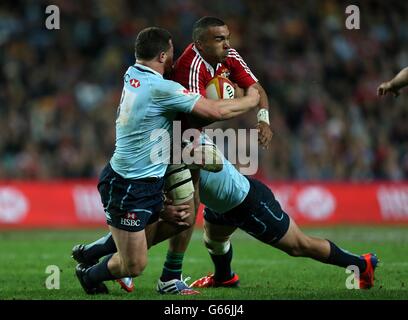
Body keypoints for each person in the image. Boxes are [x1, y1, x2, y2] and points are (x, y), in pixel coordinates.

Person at [73, 26, 260, 295]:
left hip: (148, 179)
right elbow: (215, 110)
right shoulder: (160, 88)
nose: (174, 58)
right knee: (135, 264)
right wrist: (250, 99)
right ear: (162, 56)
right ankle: (92, 274)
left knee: (182, 218)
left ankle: (103, 253)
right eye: (171, 52)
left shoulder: (132, 73)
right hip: (128, 186)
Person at [76, 134, 378, 292]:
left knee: (299, 246)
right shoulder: (169, 144)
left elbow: (214, 164)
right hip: (220, 206)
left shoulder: (181, 145)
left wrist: (188, 162)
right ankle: (224, 278)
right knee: (212, 240)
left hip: (247, 203)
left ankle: (361, 264)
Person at [155, 16, 274, 294]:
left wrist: (264, 119)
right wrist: (240, 102)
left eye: (227, 37)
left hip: (191, 135)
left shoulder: (228, 56)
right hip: (171, 136)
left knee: (185, 205)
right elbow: (204, 112)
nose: (227, 44)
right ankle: (121, 262)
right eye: (219, 39)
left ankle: (163, 274)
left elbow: (257, 90)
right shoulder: (190, 65)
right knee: (177, 207)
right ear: (199, 42)